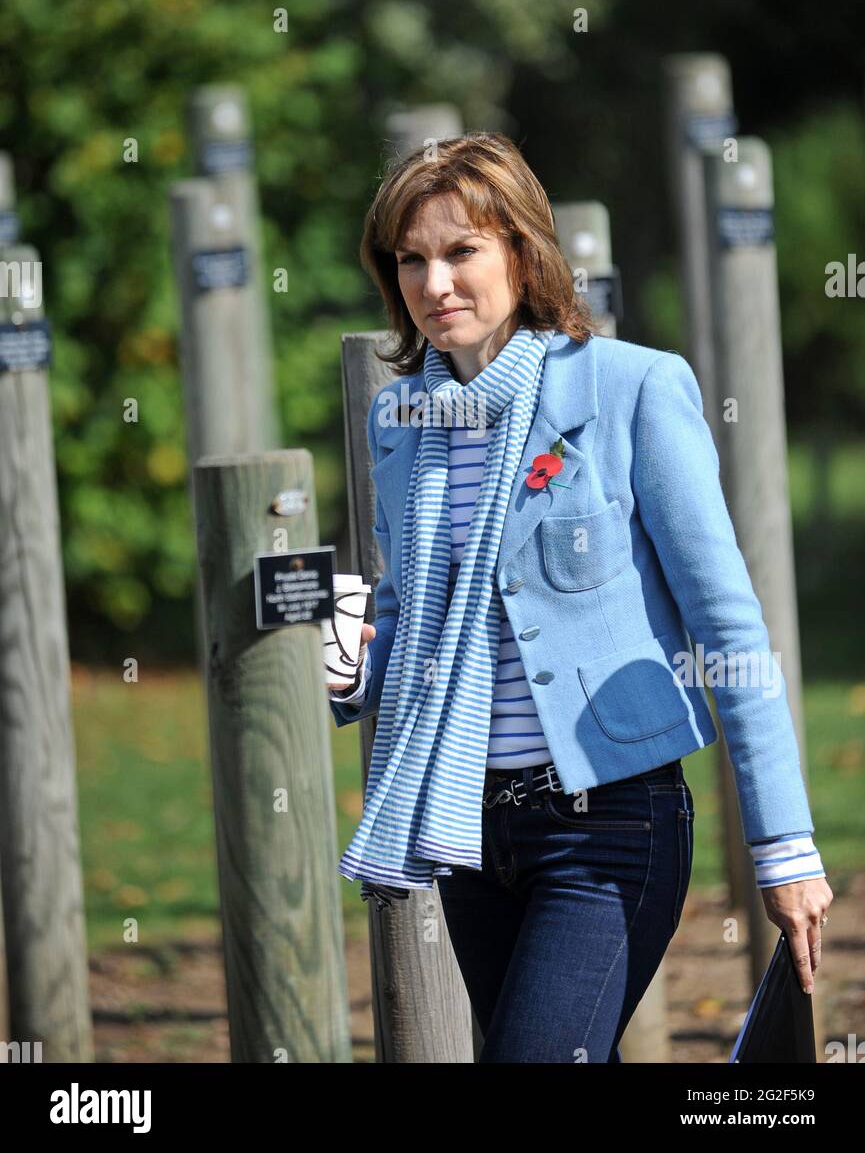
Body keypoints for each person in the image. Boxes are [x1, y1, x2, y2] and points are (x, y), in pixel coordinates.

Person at [327, 131, 832, 1063]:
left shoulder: (632, 387)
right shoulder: (396, 421)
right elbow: (403, 610)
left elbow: (727, 626)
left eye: (460, 251)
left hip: (610, 823)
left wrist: (784, 847)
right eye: (410, 259)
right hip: (466, 830)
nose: (434, 283)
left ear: (521, 250)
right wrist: (345, 662)